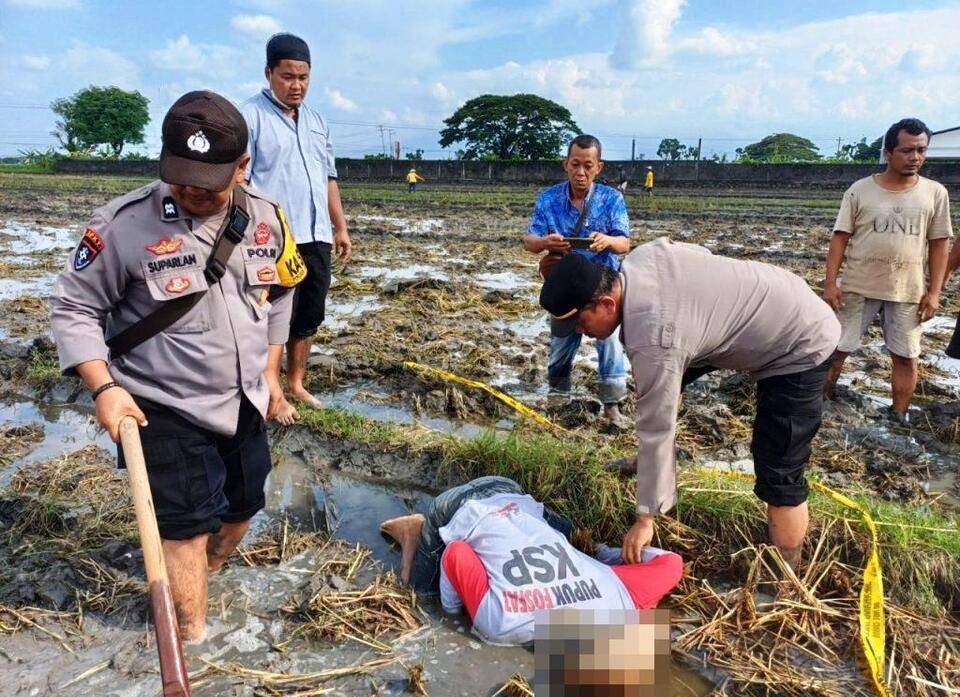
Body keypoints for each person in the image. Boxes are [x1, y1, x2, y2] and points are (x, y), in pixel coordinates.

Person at [50, 91, 305, 641]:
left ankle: (205, 575)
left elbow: (284, 290)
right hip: (159, 402)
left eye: (208, 180)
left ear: (242, 167)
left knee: (243, 505)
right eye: (181, 175)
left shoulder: (267, 218)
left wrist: (271, 373)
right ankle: (191, 644)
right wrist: (103, 388)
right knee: (184, 528)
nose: (191, 189)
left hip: (242, 400)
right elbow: (74, 307)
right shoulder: (122, 225)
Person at [539, 246, 841, 572]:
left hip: (799, 340)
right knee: (665, 382)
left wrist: (645, 519)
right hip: (775, 297)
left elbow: (657, 424)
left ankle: (786, 578)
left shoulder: (655, 334)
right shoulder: (640, 260)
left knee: (779, 470)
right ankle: (649, 465)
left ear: (607, 303)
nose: (581, 334)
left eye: (581, 324)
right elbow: (699, 253)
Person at [380, 477, 683, 646]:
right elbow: (456, 552)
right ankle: (412, 532)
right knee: (422, 594)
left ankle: (593, 549)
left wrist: (605, 557)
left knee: (569, 539)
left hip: (515, 496)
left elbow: (671, 562)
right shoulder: (501, 625)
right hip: (456, 506)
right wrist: (453, 615)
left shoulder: (622, 601)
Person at [242, 33, 353, 410]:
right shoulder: (250, 117)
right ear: (269, 72)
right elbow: (240, 179)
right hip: (271, 239)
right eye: (288, 76)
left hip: (316, 233)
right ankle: (262, 385)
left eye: (304, 77)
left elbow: (328, 178)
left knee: (309, 312)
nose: (297, 85)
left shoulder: (318, 121)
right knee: (266, 311)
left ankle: (296, 383)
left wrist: (340, 227)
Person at [821, 118, 952, 424]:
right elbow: (840, 238)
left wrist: (934, 293)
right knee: (836, 348)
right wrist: (830, 284)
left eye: (921, 150)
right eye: (907, 150)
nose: (915, 157)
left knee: (906, 355)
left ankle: (899, 416)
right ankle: (820, 400)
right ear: (888, 152)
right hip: (857, 285)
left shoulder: (935, 193)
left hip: (907, 290)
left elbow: (939, 245)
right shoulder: (860, 190)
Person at [523, 135, 631, 424]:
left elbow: (625, 244)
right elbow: (529, 241)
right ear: (565, 165)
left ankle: (612, 406)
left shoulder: (611, 199)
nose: (580, 173)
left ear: (598, 167)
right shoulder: (548, 199)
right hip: (565, 287)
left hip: (601, 288)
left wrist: (607, 241)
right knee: (560, 343)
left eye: (588, 166)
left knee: (609, 345)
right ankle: (558, 400)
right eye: (575, 165)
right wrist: (546, 241)